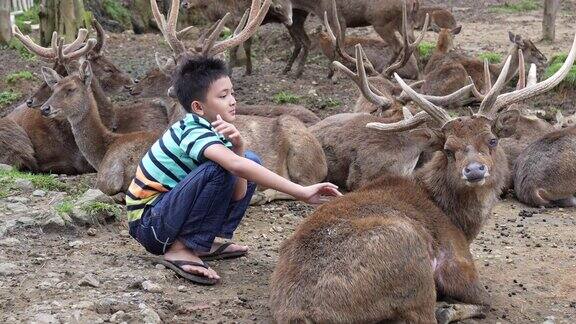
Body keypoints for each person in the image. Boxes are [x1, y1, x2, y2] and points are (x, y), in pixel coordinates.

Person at [126, 56, 341, 285]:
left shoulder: (212, 130)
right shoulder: (192, 130)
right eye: (222, 96)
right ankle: (179, 248)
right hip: (150, 225)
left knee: (249, 160)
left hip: (166, 217)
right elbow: (234, 168)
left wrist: (239, 147)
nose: (232, 101)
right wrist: (301, 191)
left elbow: (238, 190)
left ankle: (202, 242)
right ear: (198, 107)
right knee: (224, 167)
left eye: (232, 93)